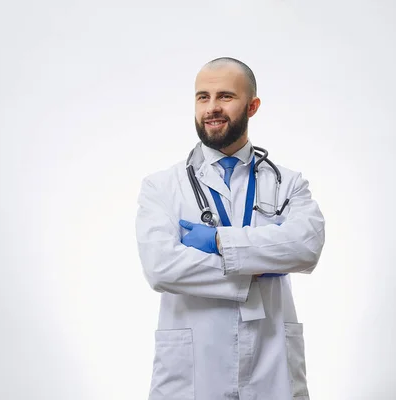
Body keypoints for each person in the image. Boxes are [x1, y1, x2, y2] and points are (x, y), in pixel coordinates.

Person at [135, 57, 326, 400]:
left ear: (252, 106)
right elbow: (161, 267)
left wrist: (220, 241)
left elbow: (306, 245)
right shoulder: (162, 187)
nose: (212, 108)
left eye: (225, 96)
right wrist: (253, 267)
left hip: (272, 364)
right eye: (202, 97)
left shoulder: (287, 184)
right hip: (193, 369)